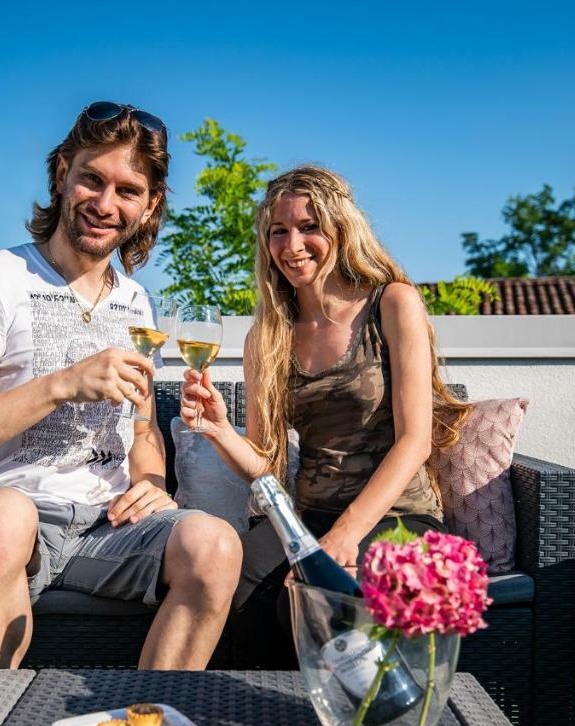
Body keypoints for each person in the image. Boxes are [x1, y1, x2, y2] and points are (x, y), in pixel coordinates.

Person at [0, 102, 242, 697]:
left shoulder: (138, 304)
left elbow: (140, 429)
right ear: (62, 172)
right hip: (11, 518)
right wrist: (62, 383)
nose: (105, 203)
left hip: (109, 526)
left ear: (149, 206)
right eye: (92, 178)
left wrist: (152, 479)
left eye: (128, 190)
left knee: (215, 545)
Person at [180, 165, 467, 662]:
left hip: (397, 515)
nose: (293, 245)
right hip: (306, 515)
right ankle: (242, 719)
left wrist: (343, 536)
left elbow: (415, 440)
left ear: (339, 228)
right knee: (238, 582)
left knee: (321, 597)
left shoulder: (392, 304)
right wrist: (218, 430)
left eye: (309, 227)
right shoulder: (267, 336)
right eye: (279, 231)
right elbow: (265, 467)